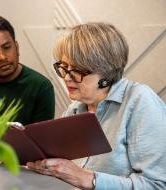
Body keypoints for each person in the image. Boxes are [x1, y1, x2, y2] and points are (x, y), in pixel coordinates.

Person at [27, 23, 166, 189]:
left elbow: (157, 185)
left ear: (106, 73)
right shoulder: (74, 110)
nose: (67, 78)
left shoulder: (140, 101)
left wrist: (88, 179)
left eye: (77, 70)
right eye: (64, 67)